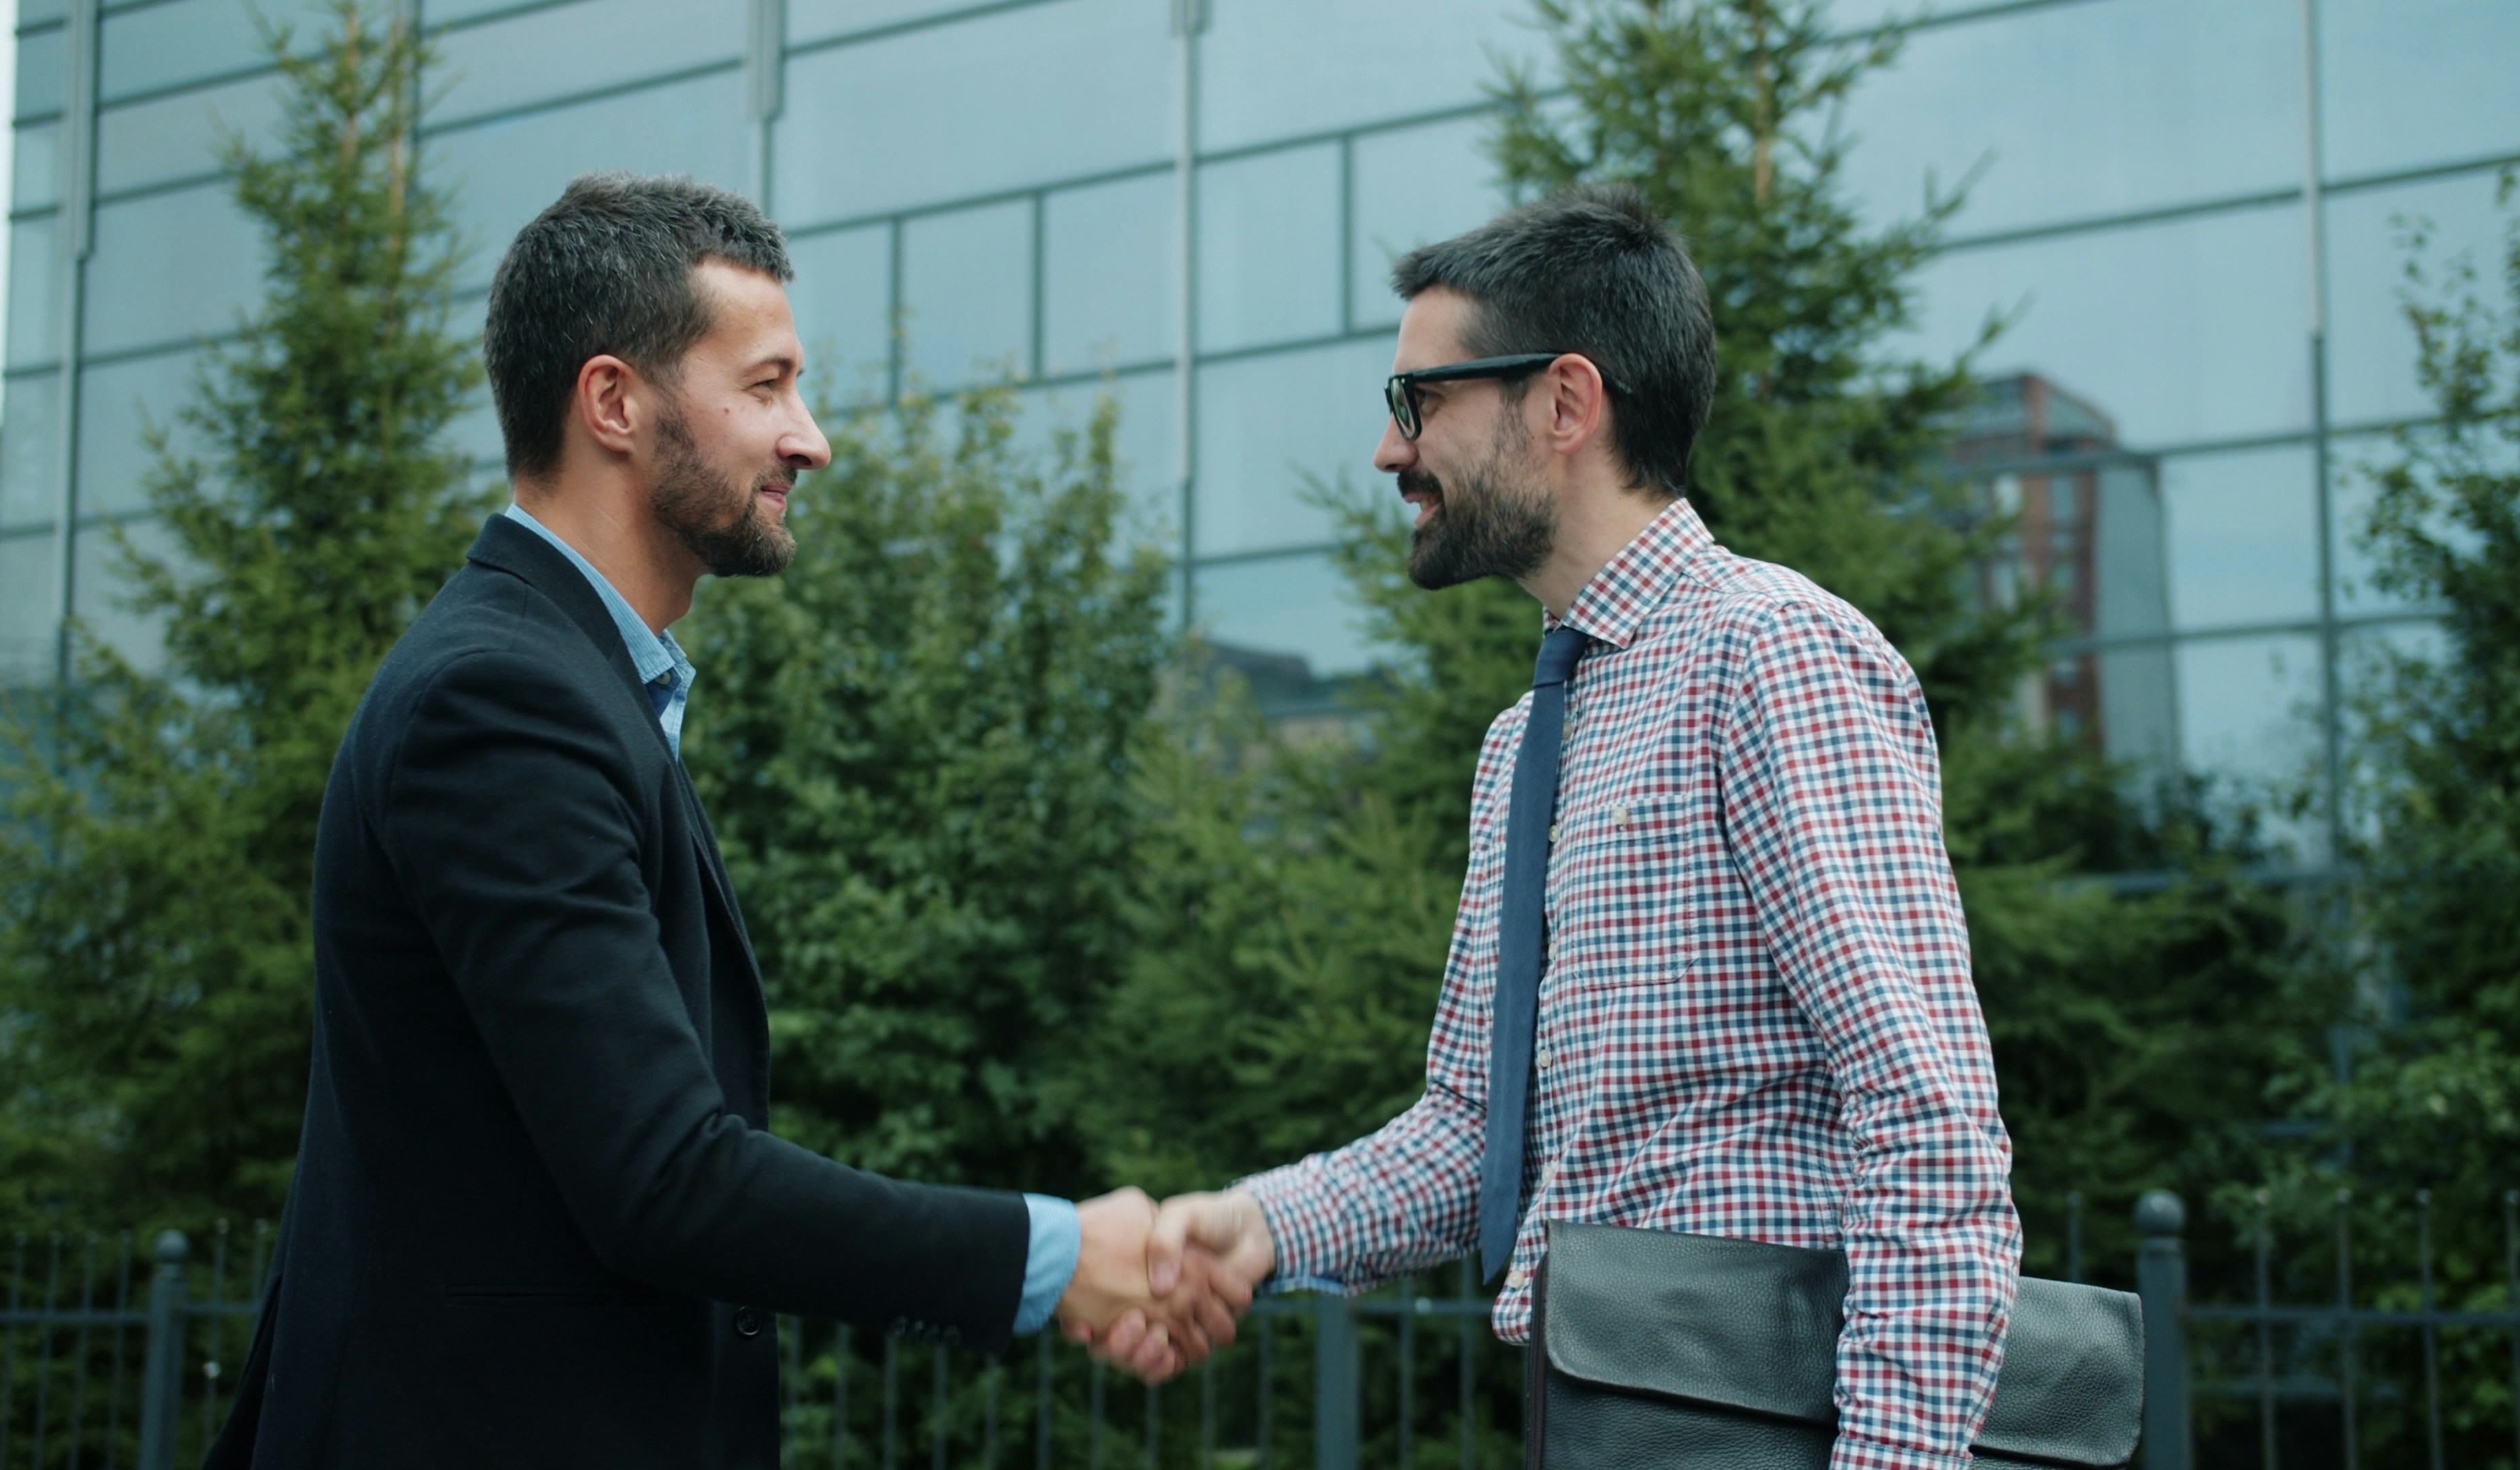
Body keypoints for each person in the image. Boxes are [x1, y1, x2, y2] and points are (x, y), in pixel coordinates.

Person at [206, 174, 1231, 1470]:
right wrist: (1056, 1254)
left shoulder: (569, 683)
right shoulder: (504, 702)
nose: (810, 438)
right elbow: (663, 1179)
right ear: (615, 403)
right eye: (766, 386)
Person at [1117, 184, 2022, 1469]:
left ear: (1563, 403)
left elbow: (1928, 1121)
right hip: (1601, 1418)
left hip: (1763, 1429)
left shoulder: (1774, 657)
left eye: (1418, 403)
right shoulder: (1525, 744)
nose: (1390, 452)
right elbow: (1476, 1140)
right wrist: (1259, 1228)